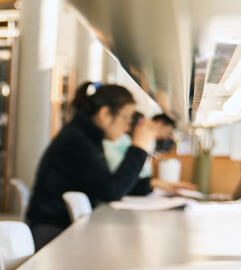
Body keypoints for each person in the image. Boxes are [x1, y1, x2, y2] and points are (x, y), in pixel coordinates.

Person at [25, 82, 160, 250]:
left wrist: (150, 184)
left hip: (62, 227)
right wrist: (139, 147)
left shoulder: (85, 136)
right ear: (105, 114)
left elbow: (109, 184)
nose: (127, 127)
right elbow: (110, 192)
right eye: (126, 117)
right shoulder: (77, 141)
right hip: (52, 233)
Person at [102, 111, 193, 194]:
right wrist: (139, 146)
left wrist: (157, 183)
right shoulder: (121, 141)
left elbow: (130, 183)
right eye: (169, 131)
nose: (168, 136)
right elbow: (118, 185)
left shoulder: (146, 143)